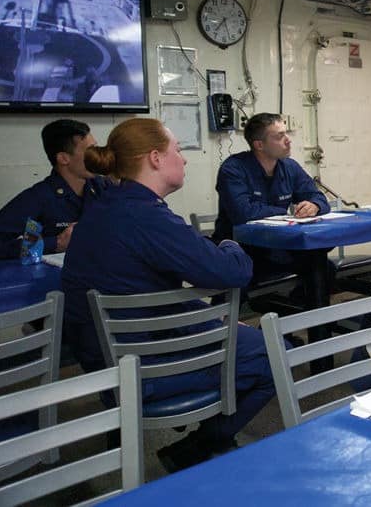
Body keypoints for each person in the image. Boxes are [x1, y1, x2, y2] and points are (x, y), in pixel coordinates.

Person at [60, 118, 278, 473]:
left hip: (107, 361)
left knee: (240, 334)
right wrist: (229, 243)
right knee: (271, 351)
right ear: (156, 159)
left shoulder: (105, 207)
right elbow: (233, 272)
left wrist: (213, 319)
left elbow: (146, 290)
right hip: (146, 371)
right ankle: (198, 449)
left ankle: (202, 444)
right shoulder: (146, 216)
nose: (185, 158)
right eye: (178, 149)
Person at [214, 113, 330, 281]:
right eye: (280, 136)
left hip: (280, 245)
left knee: (323, 267)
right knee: (316, 266)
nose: (288, 140)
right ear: (259, 145)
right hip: (243, 250)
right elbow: (243, 212)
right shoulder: (233, 169)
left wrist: (314, 205)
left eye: (286, 133)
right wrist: (285, 214)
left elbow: (317, 196)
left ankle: (300, 306)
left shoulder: (290, 167)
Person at [0, 119, 106, 259]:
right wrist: (55, 243)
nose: (97, 157)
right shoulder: (39, 198)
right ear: (63, 158)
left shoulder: (103, 187)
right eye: (89, 151)